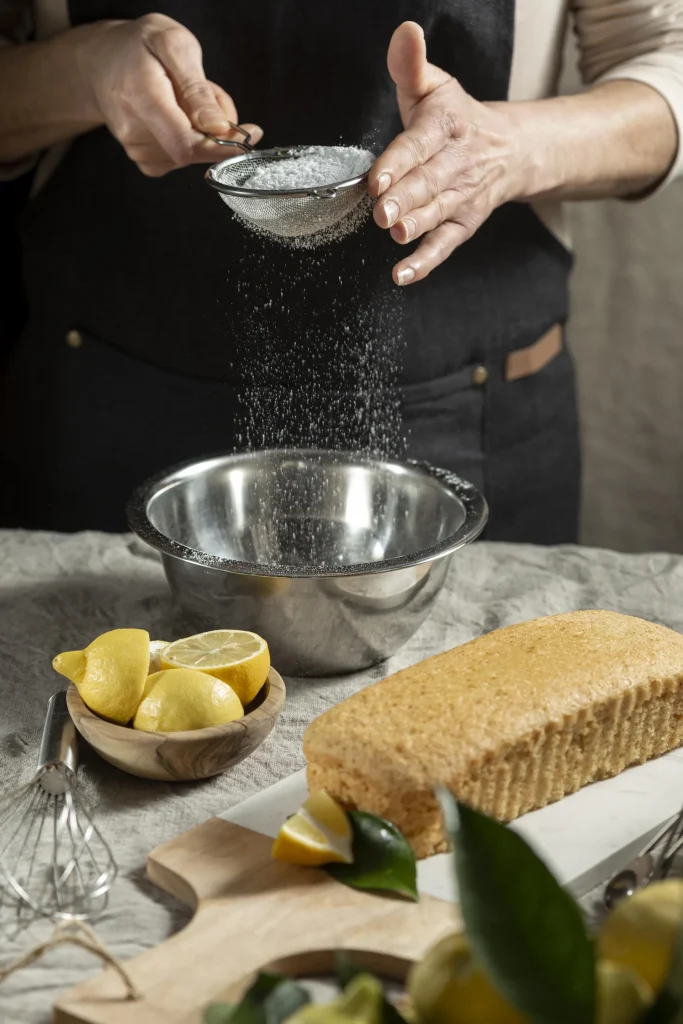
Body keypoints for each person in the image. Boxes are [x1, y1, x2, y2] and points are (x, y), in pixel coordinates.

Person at [0, 3, 681, 541]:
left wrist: (508, 149)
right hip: (108, 399)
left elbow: (666, 59)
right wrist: (81, 69)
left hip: (466, 412)